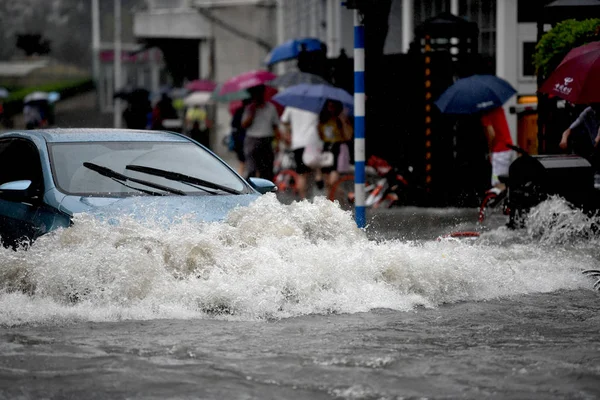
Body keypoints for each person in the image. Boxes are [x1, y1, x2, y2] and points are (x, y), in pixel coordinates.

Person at [241, 85, 281, 182]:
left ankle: (266, 192)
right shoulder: (249, 108)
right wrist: (252, 112)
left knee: (267, 170)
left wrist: (277, 143)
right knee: (252, 169)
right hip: (252, 139)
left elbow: (275, 126)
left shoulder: (271, 108)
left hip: (267, 139)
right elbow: (244, 124)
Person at [280, 106, 320, 199]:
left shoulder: (292, 105)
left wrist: (287, 134)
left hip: (298, 143)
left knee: (301, 175)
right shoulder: (314, 105)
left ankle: (304, 199)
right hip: (312, 143)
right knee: (311, 172)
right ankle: (310, 197)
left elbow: (284, 121)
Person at [317, 100, 353, 191]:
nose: (330, 108)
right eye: (329, 106)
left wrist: (343, 121)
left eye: (333, 106)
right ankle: (330, 201)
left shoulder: (341, 120)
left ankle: (336, 201)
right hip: (327, 149)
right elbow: (321, 136)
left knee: (334, 182)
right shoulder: (324, 120)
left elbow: (348, 136)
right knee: (328, 183)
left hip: (338, 149)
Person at [480, 106, 514, 190]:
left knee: (498, 182)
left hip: (499, 151)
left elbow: (491, 133)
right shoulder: (498, 108)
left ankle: (501, 202)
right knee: (505, 180)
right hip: (507, 148)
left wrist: (490, 150)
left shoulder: (486, 111)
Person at [559, 103, 600, 171]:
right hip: (594, 146)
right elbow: (570, 128)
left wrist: (597, 139)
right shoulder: (588, 111)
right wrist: (564, 138)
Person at [230, 98, 251, 176]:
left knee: (242, 162)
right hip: (248, 138)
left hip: (239, 140)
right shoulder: (252, 111)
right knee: (250, 162)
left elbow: (233, 124)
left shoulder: (239, 111)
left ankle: (240, 177)